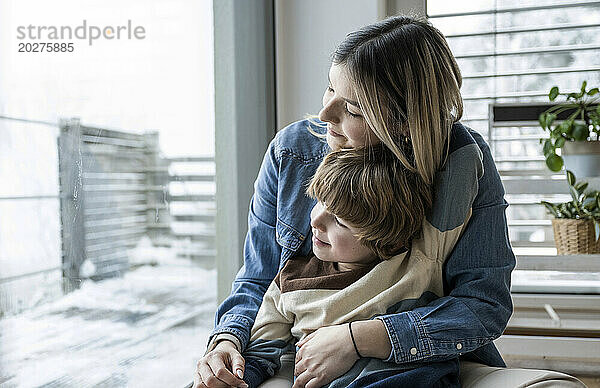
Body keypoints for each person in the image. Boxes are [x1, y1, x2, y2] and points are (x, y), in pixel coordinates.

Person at [193, 14, 515, 388]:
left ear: (404, 123)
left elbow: (483, 304)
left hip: (413, 362)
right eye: (330, 88)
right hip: (300, 350)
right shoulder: (292, 151)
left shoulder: (460, 162)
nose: (325, 114)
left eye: (354, 109)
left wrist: (361, 338)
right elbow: (258, 278)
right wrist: (227, 340)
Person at [239, 142, 481, 388]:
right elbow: (260, 354)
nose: (316, 221)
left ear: (386, 235)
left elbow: (466, 159)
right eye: (319, 202)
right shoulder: (290, 281)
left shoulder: (419, 259)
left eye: (340, 222)